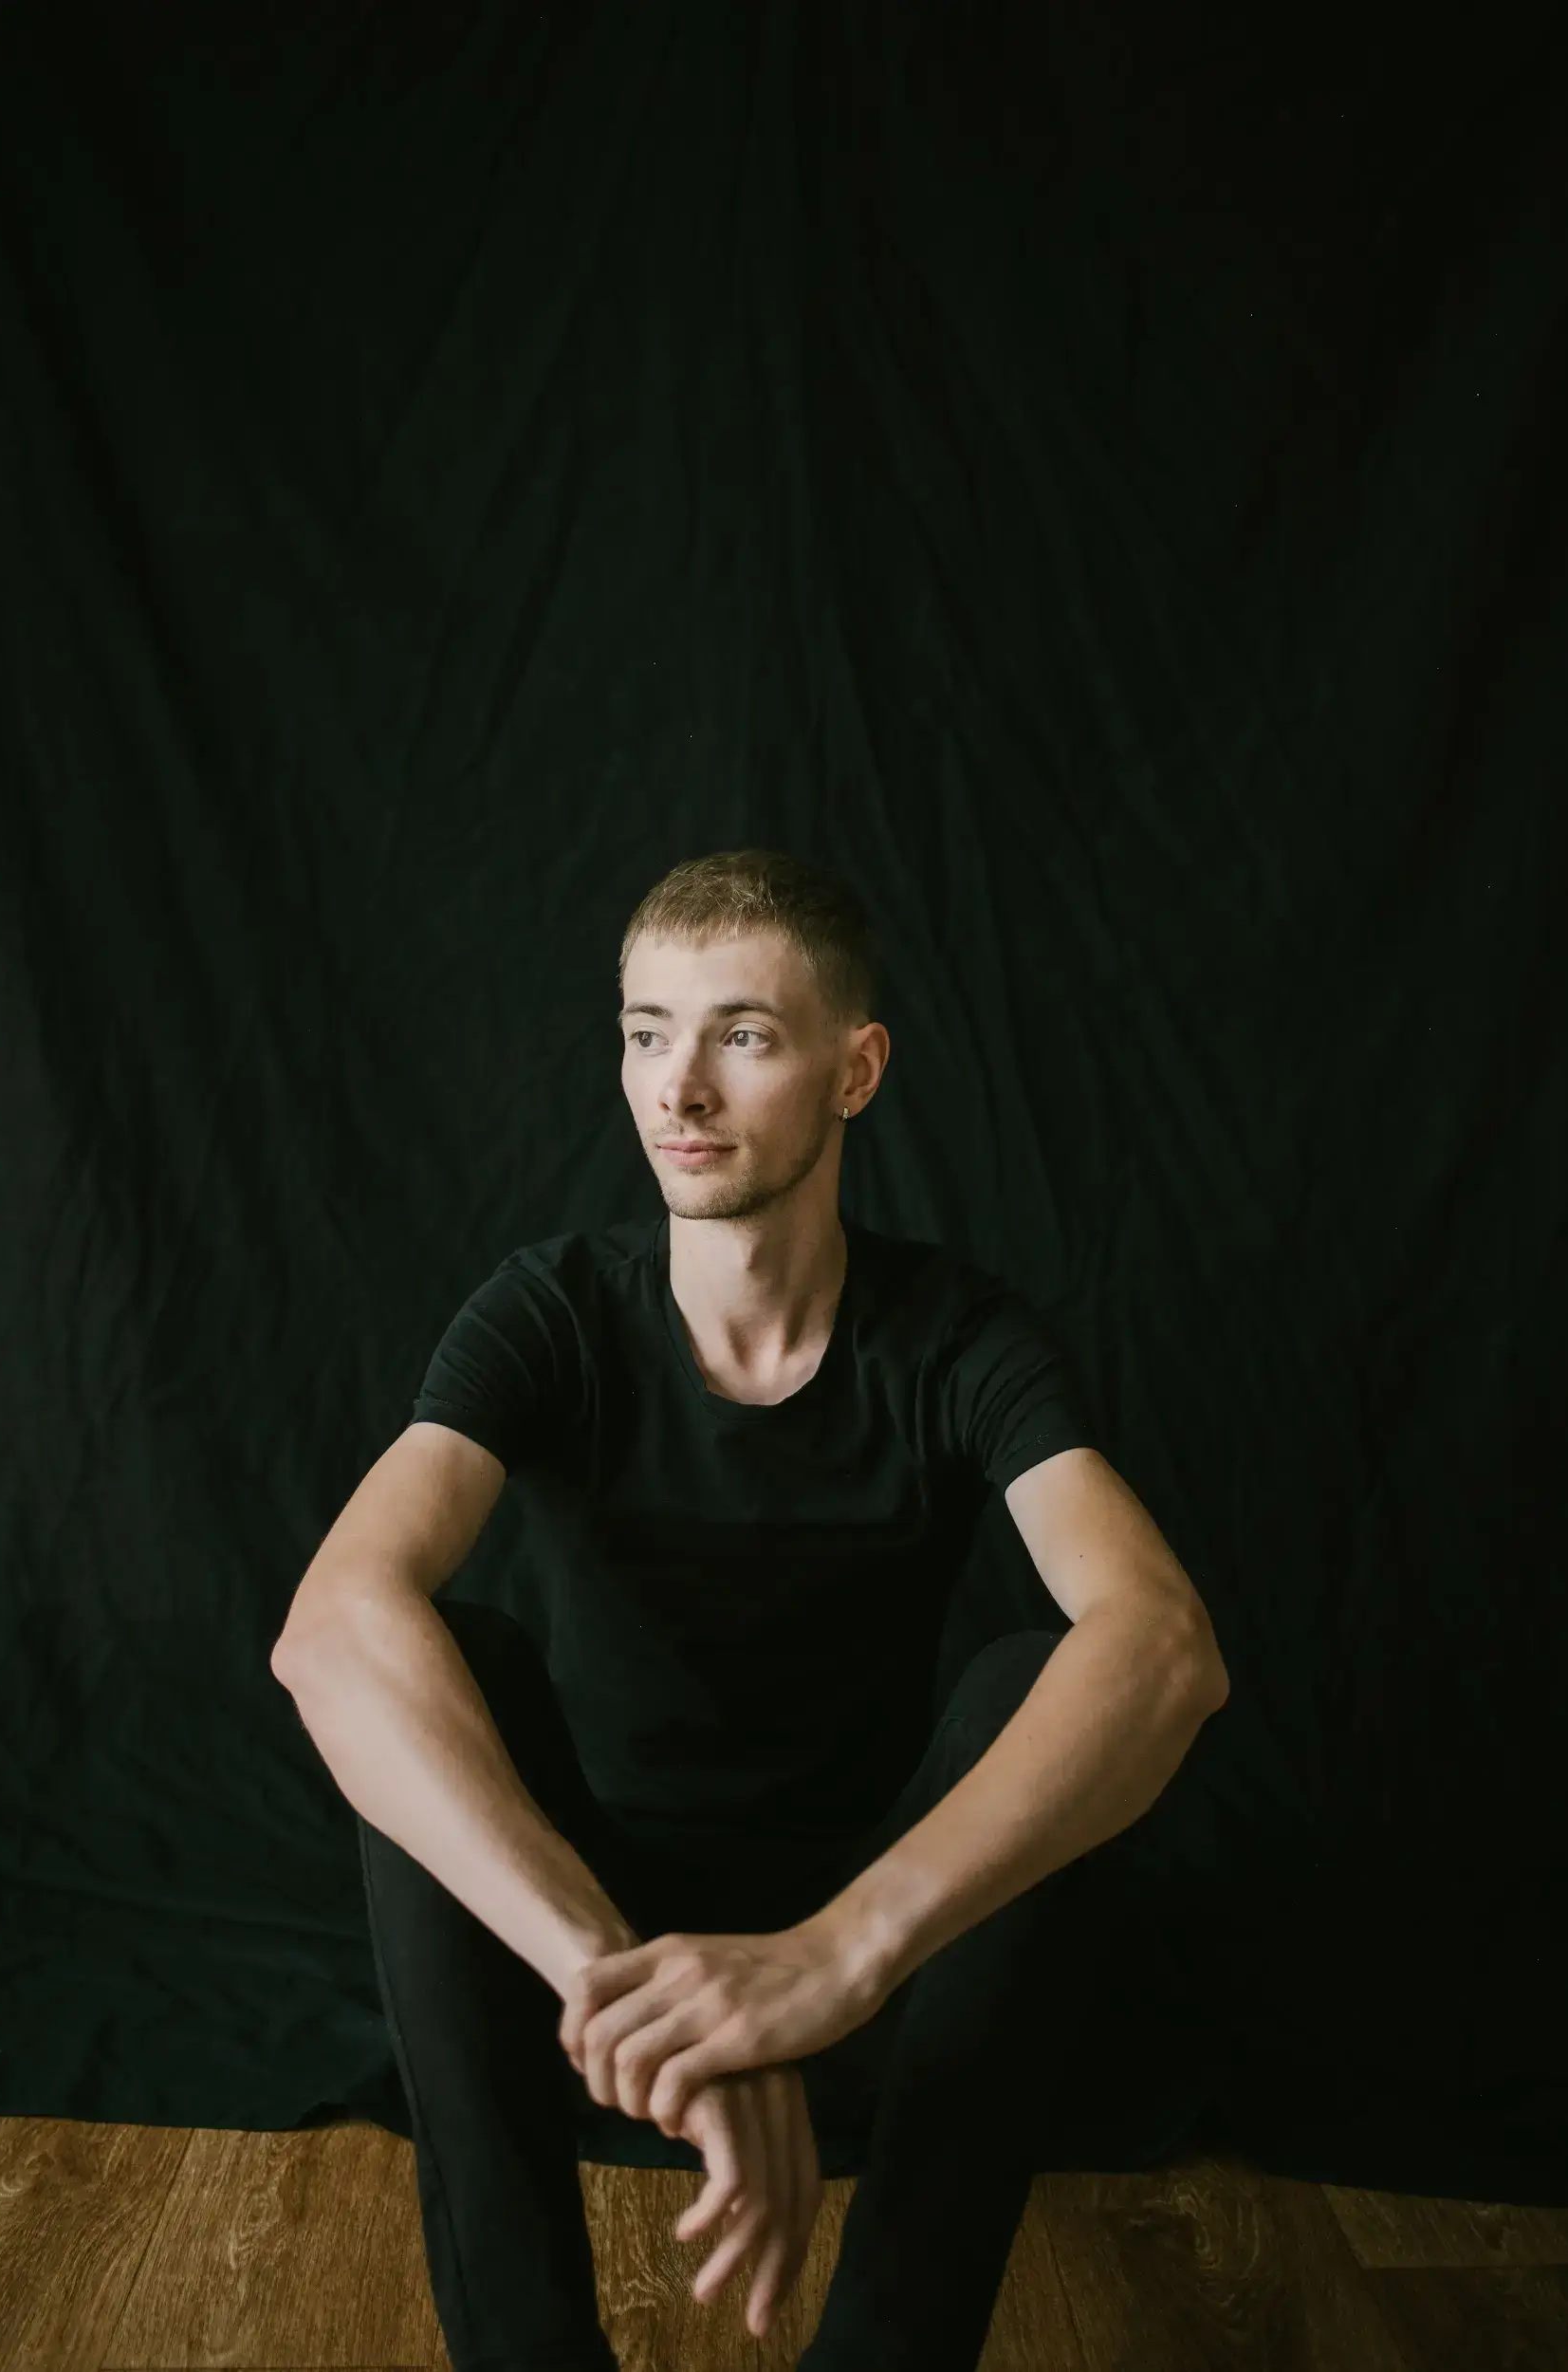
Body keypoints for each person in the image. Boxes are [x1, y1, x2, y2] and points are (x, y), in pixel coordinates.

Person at [271, 848, 1231, 2371]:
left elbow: (1167, 1649)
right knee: (435, 1662)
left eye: (743, 1034)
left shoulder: (959, 1339)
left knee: (1043, 1681)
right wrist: (627, 1988)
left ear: (856, 1072)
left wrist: (829, 1961)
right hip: (582, 1976)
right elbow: (325, 1630)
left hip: (881, 1971)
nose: (679, 1087)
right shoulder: (552, 1311)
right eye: (647, 1032)